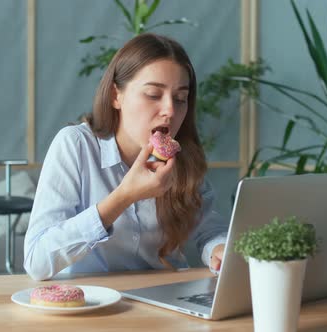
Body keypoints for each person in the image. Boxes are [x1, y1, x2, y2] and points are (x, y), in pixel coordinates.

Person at [24, 33, 227, 281]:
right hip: (92, 302)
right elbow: (37, 261)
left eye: (180, 98)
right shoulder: (75, 145)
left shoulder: (182, 156)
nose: (170, 111)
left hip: (167, 297)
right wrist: (124, 196)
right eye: (153, 94)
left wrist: (219, 248)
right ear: (115, 96)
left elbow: (206, 228)